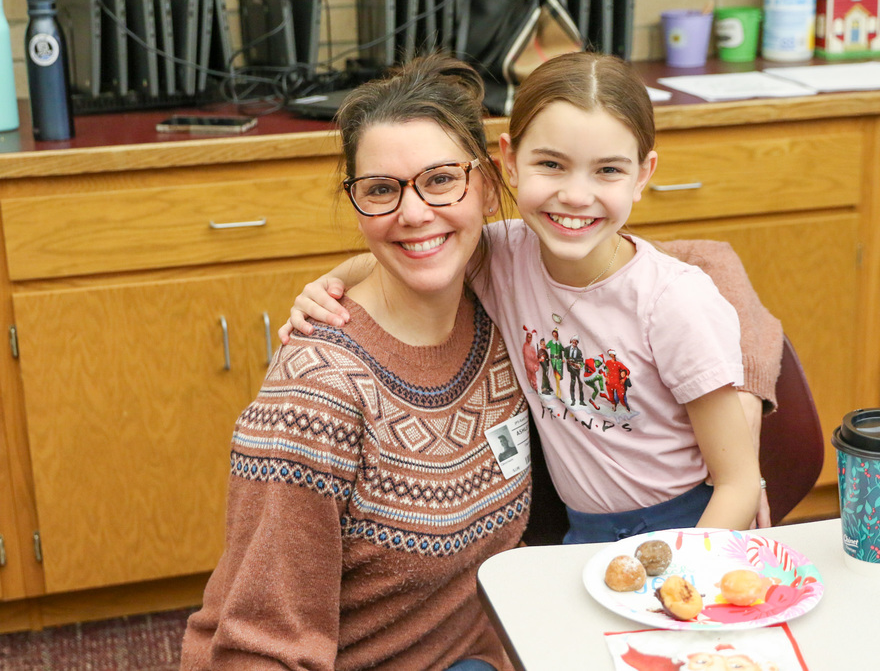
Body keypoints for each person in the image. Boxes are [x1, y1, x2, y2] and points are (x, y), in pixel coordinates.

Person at [280, 52, 784, 541]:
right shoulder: (501, 255)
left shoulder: (671, 301)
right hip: (583, 533)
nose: (576, 195)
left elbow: (738, 484)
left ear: (643, 175)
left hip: (690, 525)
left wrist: (686, 573)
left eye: (608, 170)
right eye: (551, 164)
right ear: (510, 162)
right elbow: (404, 253)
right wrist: (327, 286)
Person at [180, 56, 531, 671]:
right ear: (357, 202)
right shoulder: (317, 397)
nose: (413, 212)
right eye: (381, 190)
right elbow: (259, 649)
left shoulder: (507, 299)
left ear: (487, 183)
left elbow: (660, 272)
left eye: (440, 179)